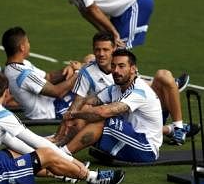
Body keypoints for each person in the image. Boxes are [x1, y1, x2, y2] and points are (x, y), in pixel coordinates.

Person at [0, 71, 125, 184]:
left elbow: (15, 143)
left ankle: (64, 174)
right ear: (6, 93)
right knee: (46, 154)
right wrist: (74, 162)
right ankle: (92, 177)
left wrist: (56, 162)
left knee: (18, 153)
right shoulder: (0, 113)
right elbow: (39, 144)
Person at [52, 32, 194, 147]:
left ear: (114, 49)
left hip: (137, 111)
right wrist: (64, 128)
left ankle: (178, 128)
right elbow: (79, 102)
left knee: (163, 75)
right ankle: (168, 129)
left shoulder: (124, 66)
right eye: (97, 50)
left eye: (105, 50)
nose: (101, 54)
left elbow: (140, 89)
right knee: (97, 113)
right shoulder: (88, 71)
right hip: (120, 116)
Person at [60, 49, 163, 163]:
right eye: (113, 66)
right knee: (90, 112)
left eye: (121, 66)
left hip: (146, 148)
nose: (116, 71)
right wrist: (76, 114)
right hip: (129, 136)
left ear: (133, 69)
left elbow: (103, 112)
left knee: (103, 117)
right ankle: (62, 143)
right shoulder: (115, 88)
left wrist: (74, 114)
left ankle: (63, 154)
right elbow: (88, 102)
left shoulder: (139, 91)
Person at [2, 26, 79, 120]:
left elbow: (48, 77)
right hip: (51, 110)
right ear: (22, 47)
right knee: (88, 92)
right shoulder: (21, 74)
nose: (29, 45)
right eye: (27, 42)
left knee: (89, 61)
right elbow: (57, 92)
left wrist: (69, 69)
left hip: (52, 103)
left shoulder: (20, 65)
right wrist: (79, 73)